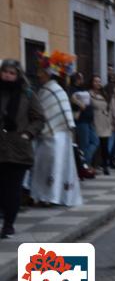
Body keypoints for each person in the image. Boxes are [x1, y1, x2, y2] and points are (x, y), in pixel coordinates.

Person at [29, 51, 82, 206]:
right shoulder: (46, 89)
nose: (38, 75)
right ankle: (44, 196)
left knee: (54, 167)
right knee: (46, 167)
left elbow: (59, 114)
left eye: (40, 71)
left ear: (48, 73)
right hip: (50, 136)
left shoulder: (53, 89)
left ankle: (50, 197)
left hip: (55, 136)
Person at [0, 60, 45, 238]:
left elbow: (39, 118)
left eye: (12, 73)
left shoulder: (27, 94)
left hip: (18, 147)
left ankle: (8, 224)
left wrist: (28, 133)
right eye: (5, 72)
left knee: (13, 187)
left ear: (18, 75)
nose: (8, 76)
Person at [70, 72, 98, 175]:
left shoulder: (82, 89)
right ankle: (85, 167)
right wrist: (80, 105)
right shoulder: (72, 90)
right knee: (84, 145)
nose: (82, 80)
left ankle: (84, 163)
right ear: (76, 80)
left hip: (89, 120)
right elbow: (73, 101)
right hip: (81, 121)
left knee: (95, 141)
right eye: (81, 78)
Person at [89, 75, 112, 175]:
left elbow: (109, 108)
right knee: (96, 145)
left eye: (99, 81)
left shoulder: (104, 93)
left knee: (104, 145)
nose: (97, 83)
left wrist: (110, 122)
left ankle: (105, 166)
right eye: (95, 81)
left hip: (105, 121)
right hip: (95, 121)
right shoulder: (89, 94)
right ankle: (94, 166)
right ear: (92, 82)